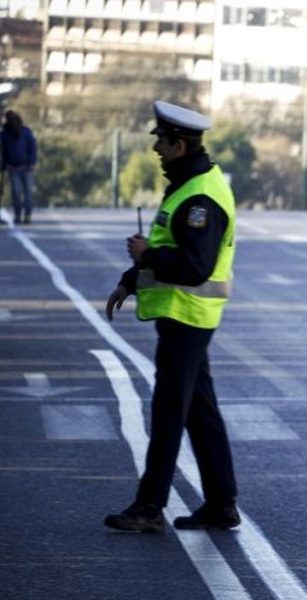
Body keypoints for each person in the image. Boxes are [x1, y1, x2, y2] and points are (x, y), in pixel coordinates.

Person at [103, 101, 240, 534]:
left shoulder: (200, 197)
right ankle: (221, 505)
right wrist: (132, 276)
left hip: (189, 315)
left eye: (161, 142)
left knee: (168, 413)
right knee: (200, 414)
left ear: (180, 145)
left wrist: (149, 255)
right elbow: (169, 246)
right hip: (184, 315)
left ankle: (148, 507)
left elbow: (195, 266)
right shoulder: (188, 184)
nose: (156, 149)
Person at [1, 110, 38, 225]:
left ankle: (27, 215)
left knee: (28, 193)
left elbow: (33, 147)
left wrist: (32, 162)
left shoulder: (26, 131)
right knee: (16, 193)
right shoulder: (4, 134)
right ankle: (17, 215)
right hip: (13, 168)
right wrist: (5, 165)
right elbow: (2, 151)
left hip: (26, 167)